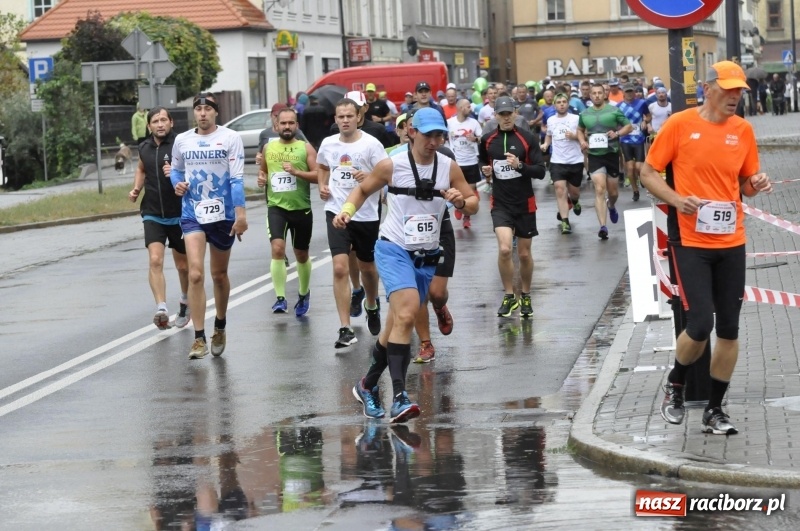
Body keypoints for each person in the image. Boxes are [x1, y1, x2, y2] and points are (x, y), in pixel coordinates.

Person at [640, 61, 772, 436]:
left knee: (729, 329)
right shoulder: (680, 124)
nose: (735, 97)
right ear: (708, 88)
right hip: (691, 241)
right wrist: (677, 199)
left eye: (739, 92)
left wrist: (756, 183)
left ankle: (715, 409)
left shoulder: (743, 130)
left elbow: (745, 184)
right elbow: (648, 172)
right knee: (700, 323)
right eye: (729, 90)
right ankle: (676, 385)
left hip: (732, 240)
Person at [334, 107, 479, 422]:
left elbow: (474, 203)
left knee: (395, 326)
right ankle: (399, 396)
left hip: (426, 254)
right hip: (393, 248)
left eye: (440, 135)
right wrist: (346, 210)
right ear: (412, 132)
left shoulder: (449, 167)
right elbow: (361, 190)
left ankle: (367, 385)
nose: (434, 141)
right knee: (407, 311)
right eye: (429, 135)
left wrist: (459, 202)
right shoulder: (392, 165)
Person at [170, 93, 248, 360]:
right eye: (198, 109)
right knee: (195, 274)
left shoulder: (230, 138)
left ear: (216, 113)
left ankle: (221, 325)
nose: (202, 113)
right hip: (192, 211)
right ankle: (199, 337)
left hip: (223, 214)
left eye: (208, 109)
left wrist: (241, 215)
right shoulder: (182, 140)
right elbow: (177, 171)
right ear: (194, 113)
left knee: (218, 275)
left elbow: (237, 179)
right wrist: (176, 185)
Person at [318, 97, 387, 348]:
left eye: (349, 116)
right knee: (339, 267)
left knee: (367, 268)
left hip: (366, 213)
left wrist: (369, 176)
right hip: (336, 210)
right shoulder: (328, 143)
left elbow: (385, 177)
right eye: (340, 116)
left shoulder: (372, 145)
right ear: (335, 119)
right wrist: (322, 185)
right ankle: (345, 328)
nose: (345, 120)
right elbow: (323, 167)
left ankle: (371, 303)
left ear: (358, 117)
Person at [479, 96, 547, 317]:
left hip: (524, 203)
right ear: (495, 115)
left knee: (525, 255)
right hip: (500, 203)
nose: (506, 117)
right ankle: (509, 295)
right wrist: (486, 171)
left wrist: (520, 166)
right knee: (506, 249)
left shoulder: (527, 138)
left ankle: (525, 295)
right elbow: (484, 163)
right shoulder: (488, 140)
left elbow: (540, 171)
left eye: (510, 113)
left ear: (515, 113)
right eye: (502, 114)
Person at [128, 107, 190, 330]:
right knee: (155, 259)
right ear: (149, 126)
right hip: (153, 212)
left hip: (180, 213)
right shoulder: (144, 147)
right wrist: (136, 188)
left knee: (183, 266)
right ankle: (162, 308)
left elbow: (194, 170)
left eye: (164, 120)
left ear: (171, 122)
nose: (160, 124)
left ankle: (184, 301)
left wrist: (176, 173)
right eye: (156, 121)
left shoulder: (181, 144)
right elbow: (141, 168)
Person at [257, 107, 319, 316]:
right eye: (283, 123)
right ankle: (280, 298)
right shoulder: (268, 147)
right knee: (277, 248)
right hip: (277, 207)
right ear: (276, 125)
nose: (287, 127)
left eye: (291, 123)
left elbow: (319, 176)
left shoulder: (306, 148)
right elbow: (264, 171)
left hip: (301, 209)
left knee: (301, 254)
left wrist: (297, 172)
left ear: (296, 125)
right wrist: (261, 178)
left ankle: (303, 293)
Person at [577, 83, 632, 240]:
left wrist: (617, 133)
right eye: (593, 93)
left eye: (599, 93)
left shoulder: (614, 111)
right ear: (590, 95)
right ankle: (603, 226)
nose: (596, 95)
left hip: (611, 154)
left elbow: (628, 126)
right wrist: (582, 141)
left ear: (604, 94)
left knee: (613, 192)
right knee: (600, 189)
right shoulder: (585, 113)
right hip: (594, 155)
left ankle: (612, 205)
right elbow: (580, 130)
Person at [540, 93, 583, 235]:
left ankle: (575, 201)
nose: (562, 104)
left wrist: (575, 136)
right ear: (554, 105)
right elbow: (549, 134)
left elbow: (585, 134)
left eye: (564, 101)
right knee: (559, 189)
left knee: (574, 192)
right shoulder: (551, 120)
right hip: (557, 161)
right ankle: (565, 222)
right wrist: (546, 144)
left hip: (575, 160)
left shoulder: (576, 119)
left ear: (568, 104)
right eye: (559, 102)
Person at [446, 98, 482, 229]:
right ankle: (458, 205)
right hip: (457, 162)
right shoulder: (450, 123)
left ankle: (467, 217)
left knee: (470, 191)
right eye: (467, 106)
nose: (470, 109)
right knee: (457, 189)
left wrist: (475, 138)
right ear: (460, 108)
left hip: (471, 160)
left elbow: (481, 138)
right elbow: (443, 137)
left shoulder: (474, 123)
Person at [617, 84, 651, 202]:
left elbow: (648, 115)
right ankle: (635, 190)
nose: (629, 94)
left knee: (638, 167)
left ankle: (641, 179)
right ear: (623, 93)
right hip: (625, 139)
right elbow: (615, 120)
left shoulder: (641, 103)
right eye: (627, 92)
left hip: (638, 138)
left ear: (634, 92)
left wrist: (645, 121)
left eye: (631, 91)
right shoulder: (619, 106)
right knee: (630, 168)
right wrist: (618, 129)